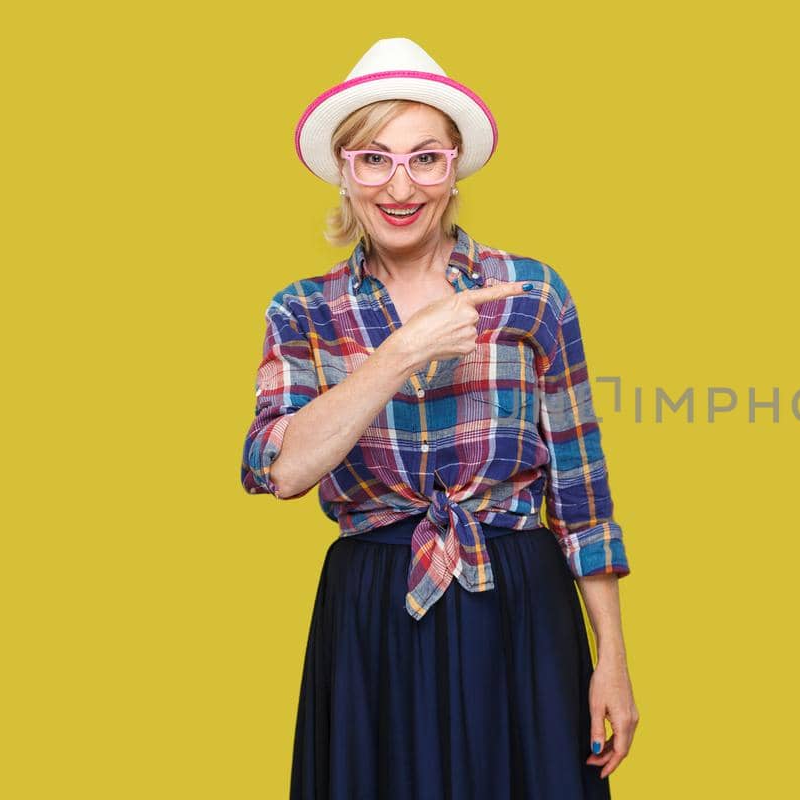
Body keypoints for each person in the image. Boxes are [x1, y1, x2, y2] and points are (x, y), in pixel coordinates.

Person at [239, 37, 639, 799]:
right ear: (344, 173)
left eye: (425, 158)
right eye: (374, 158)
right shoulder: (303, 310)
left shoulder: (532, 294)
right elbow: (276, 467)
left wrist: (611, 658)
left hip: (519, 606)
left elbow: (583, 497)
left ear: (455, 169)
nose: (401, 184)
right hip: (373, 613)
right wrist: (398, 354)